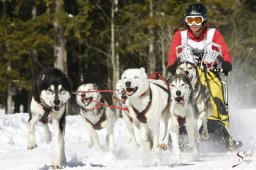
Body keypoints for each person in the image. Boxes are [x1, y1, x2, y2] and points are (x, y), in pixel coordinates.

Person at [167, 3, 241, 149]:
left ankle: (225, 132)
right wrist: (172, 65)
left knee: (217, 94)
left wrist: (226, 62)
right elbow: (172, 55)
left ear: (204, 20)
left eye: (197, 20)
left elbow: (224, 51)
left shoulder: (213, 34)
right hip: (186, 76)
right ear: (186, 21)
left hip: (210, 72)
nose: (193, 24)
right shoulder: (180, 36)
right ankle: (178, 126)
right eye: (190, 20)